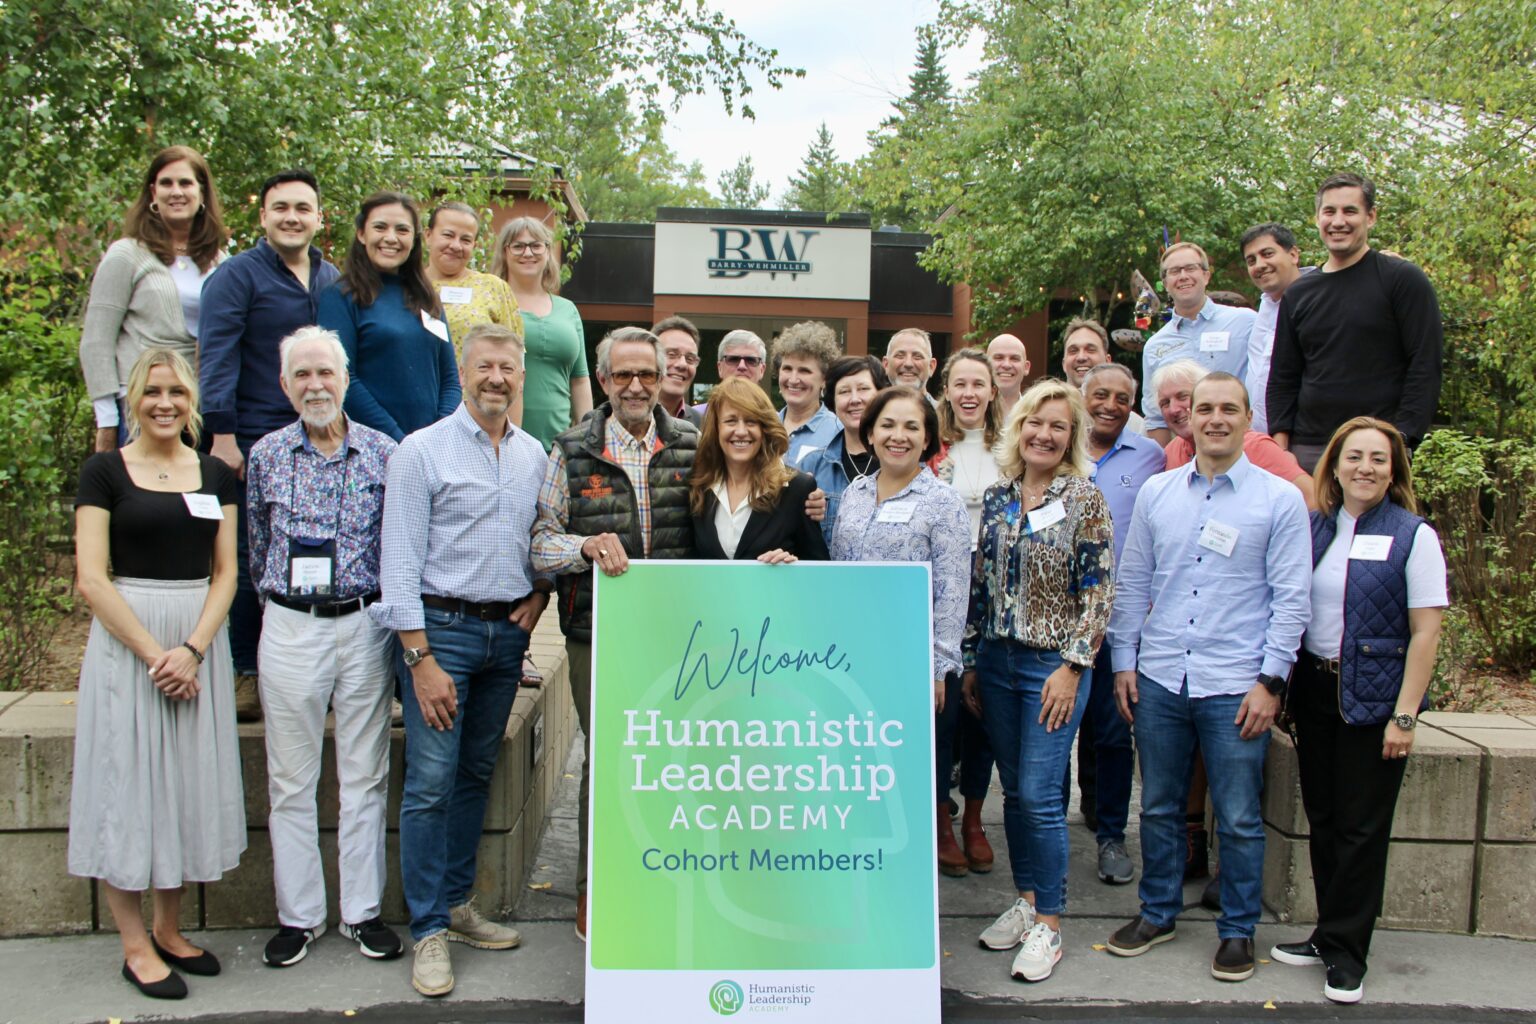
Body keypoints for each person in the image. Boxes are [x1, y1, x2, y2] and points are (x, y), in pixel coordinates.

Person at [1105, 372, 1310, 984]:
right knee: (1161, 806)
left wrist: (1271, 681)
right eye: (1204, 409)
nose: (1215, 419)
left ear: (1248, 419)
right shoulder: (1159, 493)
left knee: (1241, 816)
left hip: (1236, 683)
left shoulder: (1279, 499)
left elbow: (1291, 598)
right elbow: (1133, 581)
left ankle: (1238, 930)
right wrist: (1124, 662)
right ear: (1186, 419)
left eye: (1228, 409)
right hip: (1163, 676)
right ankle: (1158, 911)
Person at [370, 323, 551, 997]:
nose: (497, 378)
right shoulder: (422, 451)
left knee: (475, 773)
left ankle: (454, 903)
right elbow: (398, 559)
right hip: (439, 634)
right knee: (429, 782)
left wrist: (539, 593)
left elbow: (545, 535)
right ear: (463, 370)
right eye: (485, 367)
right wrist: (417, 658)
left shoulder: (535, 454)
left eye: (508, 367)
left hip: (505, 639)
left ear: (521, 375)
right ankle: (426, 932)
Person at [69, 348, 244, 1000]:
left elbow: (226, 571)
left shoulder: (214, 474)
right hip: (130, 648)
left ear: (190, 400)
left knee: (183, 787)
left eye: (176, 392)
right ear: (134, 399)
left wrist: (193, 649)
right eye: (152, 392)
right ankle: (135, 945)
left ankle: (170, 930)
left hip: (198, 642)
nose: (164, 403)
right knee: (127, 788)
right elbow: (92, 578)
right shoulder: (104, 473)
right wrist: (155, 654)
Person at [531, 326, 700, 942]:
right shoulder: (572, 448)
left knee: (681, 764)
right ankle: (595, 889)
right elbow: (540, 543)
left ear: (663, 379)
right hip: (595, 632)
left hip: (682, 637)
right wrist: (583, 544)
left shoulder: (691, 441)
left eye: (647, 375)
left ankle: (674, 879)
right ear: (602, 380)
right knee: (612, 760)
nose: (636, 386)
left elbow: (733, 509)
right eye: (622, 375)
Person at [1270, 417, 1447, 1005]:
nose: (1365, 468)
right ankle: (1327, 933)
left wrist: (1405, 715)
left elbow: (1426, 633)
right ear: (1336, 465)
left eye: (1377, 458)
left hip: (1374, 699)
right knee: (1323, 819)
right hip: (1317, 694)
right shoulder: (1316, 527)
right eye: (1354, 457)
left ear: (1394, 468)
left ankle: (1349, 955)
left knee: (1362, 829)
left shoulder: (1412, 534)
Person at [245, 327, 401, 968]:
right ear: (285, 385)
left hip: (364, 624)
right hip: (288, 626)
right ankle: (300, 917)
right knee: (291, 779)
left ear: (344, 380)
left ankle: (361, 914)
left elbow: (399, 545)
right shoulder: (265, 456)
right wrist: (285, 607)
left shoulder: (384, 453)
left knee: (364, 775)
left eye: (325, 374)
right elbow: (256, 545)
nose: (315, 386)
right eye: (302, 375)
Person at [963, 379, 1116, 983]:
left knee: (1043, 794)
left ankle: (1050, 923)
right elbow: (983, 583)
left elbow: (1099, 592)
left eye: (1057, 426)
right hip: (997, 664)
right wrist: (974, 658)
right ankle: (1027, 900)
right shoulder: (1000, 496)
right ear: (1017, 429)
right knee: (1017, 794)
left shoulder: (1085, 499)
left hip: (1051, 665)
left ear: (1070, 437)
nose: (1044, 434)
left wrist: (1073, 666)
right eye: (1035, 423)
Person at [200, 167, 339, 723]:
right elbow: (216, 356)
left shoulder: (331, 279)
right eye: (280, 207)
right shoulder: (237, 277)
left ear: (318, 218)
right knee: (246, 554)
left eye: (302, 208)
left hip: (321, 437)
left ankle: (315, 674)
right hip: (253, 437)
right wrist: (224, 434)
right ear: (262, 216)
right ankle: (245, 671)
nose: (291, 217)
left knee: (315, 546)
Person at [1267, 173, 1444, 471]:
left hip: (1377, 445)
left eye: (1350, 211)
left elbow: (1425, 364)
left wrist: (1402, 439)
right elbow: (1284, 375)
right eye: (1329, 212)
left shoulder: (1401, 279)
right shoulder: (1298, 292)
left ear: (1370, 216)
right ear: (1317, 218)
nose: (1338, 221)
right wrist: (1282, 449)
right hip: (1309, 448)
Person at [1075, 363, 1165, 886]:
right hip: (1060, 615)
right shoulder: (1058, 445)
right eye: (1101, 394)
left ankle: (1111, 833)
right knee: (1055, 731)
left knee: (1111, 733)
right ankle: (1052, 832)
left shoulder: (1150, 458)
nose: (1110, 404)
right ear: (1083, 395)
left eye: (1123, 397)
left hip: (1116, 616)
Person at [81, 146, 227, 453]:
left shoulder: (221, 262)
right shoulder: (127, 254)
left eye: (185, 183)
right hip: (138, 411)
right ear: (152, 193)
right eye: (166, 183)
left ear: (202, 193)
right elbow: (96, 341)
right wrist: (107, 421)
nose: (176, 192)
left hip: (198, 411)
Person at [831, 386, 969, 710]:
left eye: (911, 427)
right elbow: (837, 571)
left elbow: (953, 592)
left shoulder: (944, 502)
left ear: (927, 439)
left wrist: (938, 669)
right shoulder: (854, 493)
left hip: (914, 663)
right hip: (853, 657)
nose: (898, 436)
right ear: (870, 433)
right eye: (888, 425)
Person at [928, 347, 1003, 877]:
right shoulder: (930, 448)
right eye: (961, 383)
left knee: (985, 712)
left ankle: (976, 813)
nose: (970, 393)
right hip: (943, 589)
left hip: (996, 592)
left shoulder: (1012, 447)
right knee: (945, 710)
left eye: (980, 384)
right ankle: (942, 817)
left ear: (993, 391)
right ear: (947, 389)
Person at [318, 192, 460, 442]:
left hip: (431, 448)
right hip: (371, 447)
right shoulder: (340, 297)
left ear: (414, 239)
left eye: (402, 230)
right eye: (380, 227)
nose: (391, 238)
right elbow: (343, 379)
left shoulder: (427, 297)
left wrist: (440, 435)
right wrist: (397, 440)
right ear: (362, 234)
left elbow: (449, 377)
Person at [690, 377, 828, 562]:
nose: (740, 431)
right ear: (716, 428)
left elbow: (819, 568)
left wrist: (794, 566)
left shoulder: (797, 489)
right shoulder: (699, 486)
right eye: (730, 421)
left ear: (765, 429)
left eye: (751, 422)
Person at [1155, 359, 1316, 509]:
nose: (1174, 409)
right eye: (1165, 403)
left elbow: (1312, 499)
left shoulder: (1255, 445)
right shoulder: (1171, 453)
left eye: (1182, 396)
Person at [1139, 242, 1256, 446]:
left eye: (1190, 268)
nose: (1183, 276)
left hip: (1244, 446)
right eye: (1174, 271)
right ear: (1165, 283)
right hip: (1188, 456)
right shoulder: (1155, 347)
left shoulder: (1245, 323)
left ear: (1206, 275)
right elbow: (1155, 418)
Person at [490, 217, 592, 449]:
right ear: (504, 252)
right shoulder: (493, 304)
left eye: (536, 245)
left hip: (561, 446)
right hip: (503, 442)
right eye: (518, 246)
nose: (528, 253)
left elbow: (579, 379)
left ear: (548, 252)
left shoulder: (568, 309)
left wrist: (588, 436)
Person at [797, 355, 891, 543]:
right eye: (844, 392)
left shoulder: (901, 462)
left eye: (864, 389)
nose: (854, 399)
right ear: (833, 402)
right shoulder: (811, 466)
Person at [424, 202, 524, 354]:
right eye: (448, 235)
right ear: (428, 236)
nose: (456, 245)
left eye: (465, 240)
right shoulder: (407, 285)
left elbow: (515, 356)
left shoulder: (493, 288)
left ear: (474, 245)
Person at [1238, 223, 1306, 434]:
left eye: (1267, 254)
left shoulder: (1322, 299)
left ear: (1293, 254)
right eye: (1251, 260)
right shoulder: (1263, 308)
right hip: (1261, 440)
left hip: (1306, 437)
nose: (1260, 265)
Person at [771, 320, 843, 466]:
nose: (793, 379)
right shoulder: (765, 425)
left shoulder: (838, 432)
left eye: (804, 371)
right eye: (787, 369)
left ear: (824, 378)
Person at [1060, 318, 1146, 435]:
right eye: (1073, 350)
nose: (1081, 357)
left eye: (1090, 350)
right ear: (1064, 364)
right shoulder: (1046, 414)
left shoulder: (1135, 426)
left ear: (1107, 361)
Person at [653, 315, 704, 426]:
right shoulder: (623, 418)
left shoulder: (703, 425)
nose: (682, 364)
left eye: (690, 359)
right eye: (671, 354)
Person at [884, 327, 939, 400]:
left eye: (917, 357)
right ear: (886, 365)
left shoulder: (944, 411)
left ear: (931, 366)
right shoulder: (873, 411)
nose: (908, 364)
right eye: (900, 356)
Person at [986, 333, 1031, 413]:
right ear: (985, 365)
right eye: (999, 358)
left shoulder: (1036, 414)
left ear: (1026, 367)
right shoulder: (971, 414)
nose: (1006, 365)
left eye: (1014, 359)